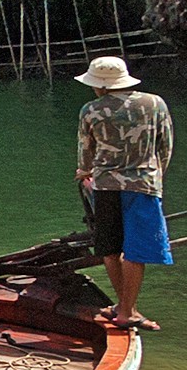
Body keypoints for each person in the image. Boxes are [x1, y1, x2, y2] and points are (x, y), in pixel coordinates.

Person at [74, 55, 173, 332]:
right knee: (136, 250)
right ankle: (126, 309)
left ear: (101, 86)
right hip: (143, 184)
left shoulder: (91, 110)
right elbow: (165, 146)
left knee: (109, 247)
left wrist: (84, 172)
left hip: (105, 185)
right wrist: (155, 175)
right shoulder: (155, 103)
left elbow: (85, 152)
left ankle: (125, 308)